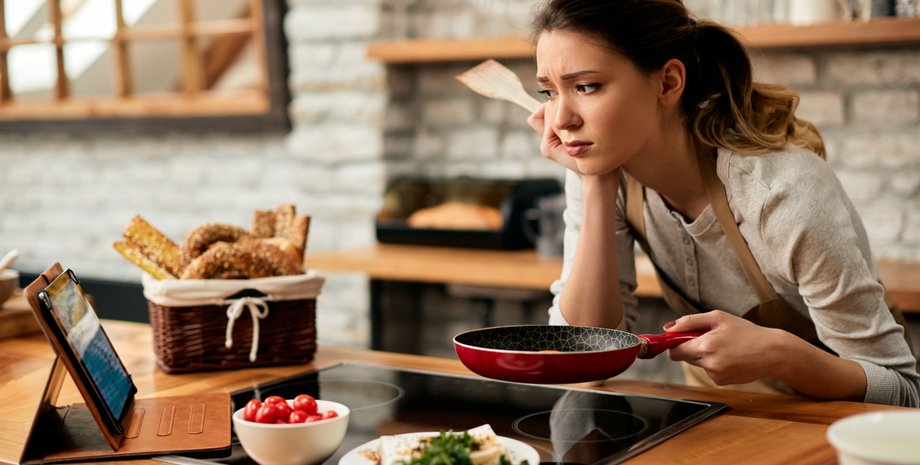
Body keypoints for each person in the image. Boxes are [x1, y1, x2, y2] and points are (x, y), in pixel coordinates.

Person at [526, 0, 919, 407]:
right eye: (549, 92)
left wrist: (779, 354)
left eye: (586, 86)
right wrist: (594, 186)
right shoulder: (603, 168)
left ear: (667, 83)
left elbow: (904, 392)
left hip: (831, 421)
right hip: (716, 414)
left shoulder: (782, 195)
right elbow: (584, 356)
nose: (561, 119)